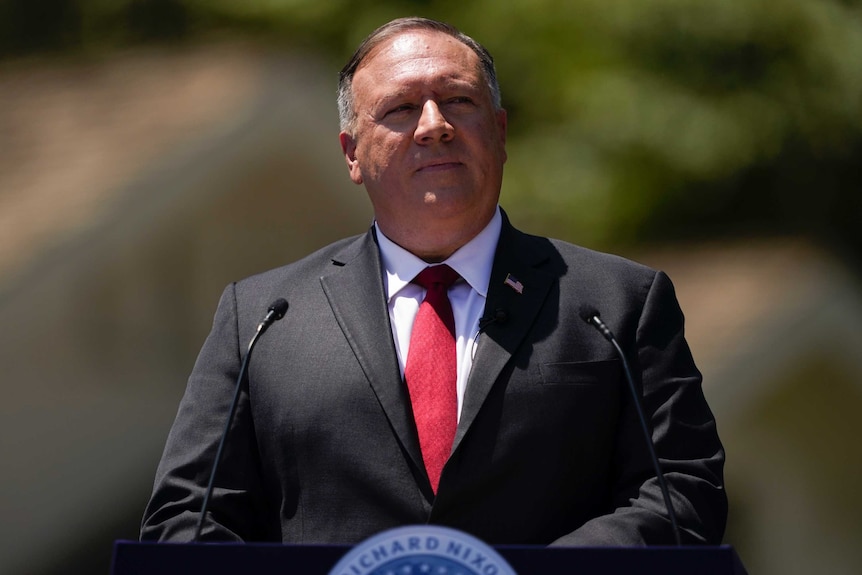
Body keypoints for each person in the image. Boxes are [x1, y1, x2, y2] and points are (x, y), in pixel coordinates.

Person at [141, 17, 727, 546]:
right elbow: (186, 521)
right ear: (351, 153)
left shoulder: (616, 303)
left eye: (458, 101)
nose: (434, 126)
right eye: (400, 109)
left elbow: (682, 494)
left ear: (499, 131)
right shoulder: (264, 317)